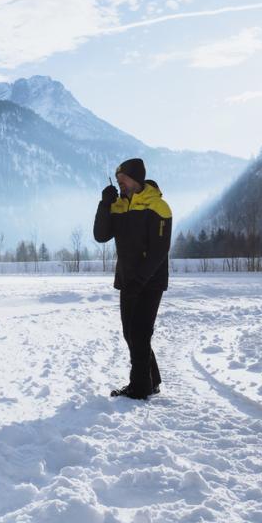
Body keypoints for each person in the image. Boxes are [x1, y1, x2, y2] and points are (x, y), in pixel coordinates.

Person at [93, 158, 172, 400]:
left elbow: (160, 251)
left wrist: (140, 280)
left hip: (150, 281)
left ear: (135, 178)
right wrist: (104, 205)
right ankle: (151, 380)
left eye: (123, 180)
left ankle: (139, 388)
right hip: (127, 280)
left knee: (140, 333)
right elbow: (100, 235)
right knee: (131, 333)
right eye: (118, 181)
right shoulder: (117, 205)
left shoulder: (158, 206)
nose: (120, 184)